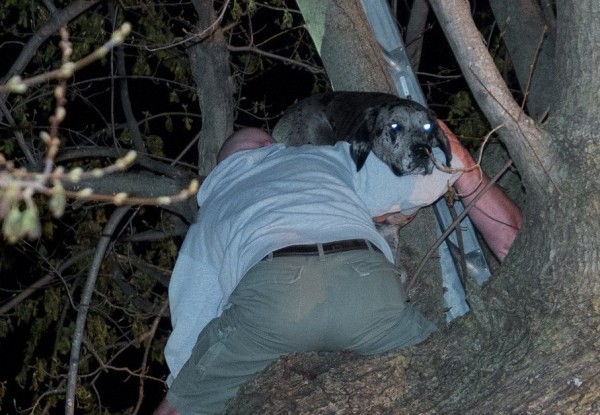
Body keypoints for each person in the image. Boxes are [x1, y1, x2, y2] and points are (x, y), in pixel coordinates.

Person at [154, 124, 522, 414]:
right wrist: (464, 170)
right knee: (459, 367)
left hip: (277, 299)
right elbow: (434, 163)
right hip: (367, 289)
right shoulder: (324, 159)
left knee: (182, 406)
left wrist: (188, 382)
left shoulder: (216, 205)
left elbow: (195, 303)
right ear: (270, 146)